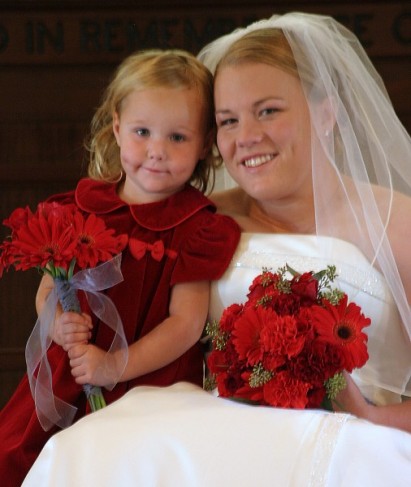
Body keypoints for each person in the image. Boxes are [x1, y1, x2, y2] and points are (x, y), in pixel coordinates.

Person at [22, 12, 411, 486]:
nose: (246, 135)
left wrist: (366, 414)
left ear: (326, 113)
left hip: (352, 442)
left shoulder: (398, 223)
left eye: (268, 110)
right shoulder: (194, 221)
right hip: (207, 429)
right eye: (228, 120)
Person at [0, 48, 240, 486]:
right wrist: (56, 324)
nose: (156, 151)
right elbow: (47, 289)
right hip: (69, 375)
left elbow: (185, 323)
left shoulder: (196, 227)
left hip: (147, 385)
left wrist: (114, 367)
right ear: (116, 126)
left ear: (205, 143)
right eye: (142, 131)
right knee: (29, 461)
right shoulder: (78, 209)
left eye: (178, 138)